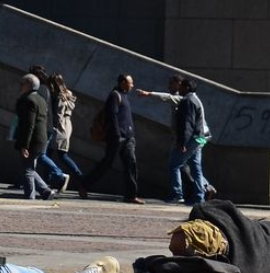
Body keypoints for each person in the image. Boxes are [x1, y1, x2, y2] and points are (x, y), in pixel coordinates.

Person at [138, 75, 216, 203]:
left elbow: (187, 124)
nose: (177, 88)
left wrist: (182, 142)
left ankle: (177, 194)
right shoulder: (194, 99)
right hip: (200, 137)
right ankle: (200, 195)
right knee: (195, 167)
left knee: (174, 165)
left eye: (179, 86)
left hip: (193, 138)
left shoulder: (186, 100)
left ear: (185, 86)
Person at [82, 74, 143, 204]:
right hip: (117, 137)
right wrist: (117, 134)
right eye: (130, 82)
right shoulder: (115, 95)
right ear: (122, 82)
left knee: (131, 164)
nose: (132, 85)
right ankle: (84, 185)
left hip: (129, 137)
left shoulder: (124, 96)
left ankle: (131, 195)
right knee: (106, 164)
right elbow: (112, 115)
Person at [14, 73, 54, 200]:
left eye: (22, 84)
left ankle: (30, 198)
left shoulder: (28, 100)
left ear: (29, 85)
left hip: (32, 140)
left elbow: (28, 124)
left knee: (27, 170)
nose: (20, 86)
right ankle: (45, 191)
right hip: (41, 138)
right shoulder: (41, 99)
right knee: (29, 168)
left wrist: (25, 145)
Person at [46, 73, 83, 189]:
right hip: (67, 126)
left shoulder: (57, 97)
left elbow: (57, 114)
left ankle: (71, 176)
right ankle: (50, 180)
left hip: (58, 127)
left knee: (50, 155)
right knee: (55, 154)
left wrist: (52, 127)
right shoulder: (68, 95)